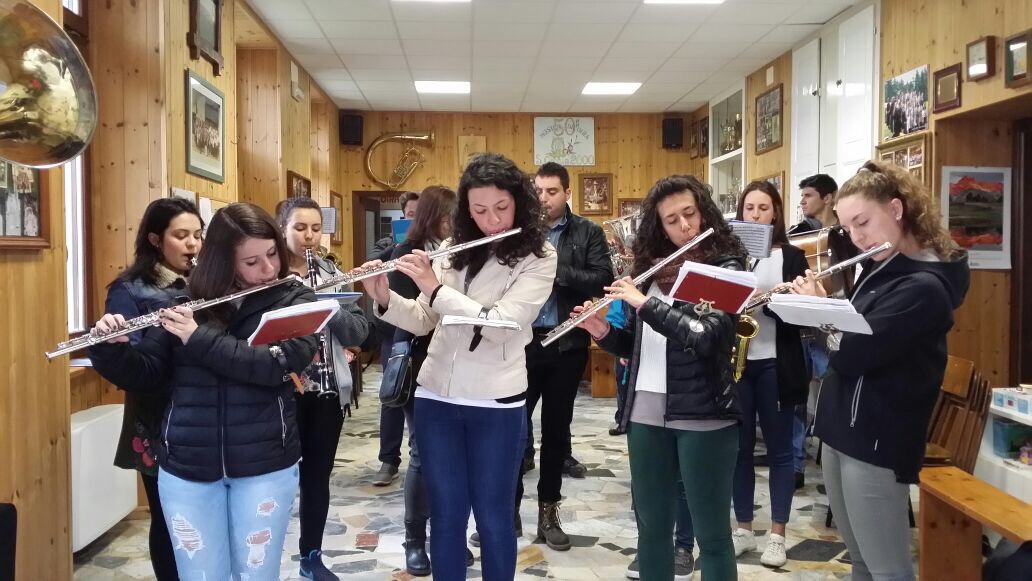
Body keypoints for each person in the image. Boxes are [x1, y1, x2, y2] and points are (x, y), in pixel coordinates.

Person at [88, 203, 319, 581]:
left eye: (272, 254)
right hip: (187, 467)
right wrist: (110, 348)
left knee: (256, 575)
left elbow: (273, 366)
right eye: (251, 262)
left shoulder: (293, 300)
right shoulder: (184, 302)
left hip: (264, 464)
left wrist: (198, 338)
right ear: (222, 261)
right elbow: (147, 374)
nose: (268, 270)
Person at [362, 153, 556, 579]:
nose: (492, 220)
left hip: (496, 401)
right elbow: (424, 319)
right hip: (436, 396)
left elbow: (502, 325)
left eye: (502, 207)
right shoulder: (452, 250)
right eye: (479, 210)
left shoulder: (540, 256)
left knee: (493, 517)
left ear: (519, 202)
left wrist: (434, 289)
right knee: (446, 515)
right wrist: (384, 297)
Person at [791, 161, 969, 581]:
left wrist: (819, 310)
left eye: (863, 222)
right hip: (841, 427)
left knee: (888, 570)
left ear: (896, 209)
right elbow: (851, 337)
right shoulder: (882, 267)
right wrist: (823, 311)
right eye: (847, 227)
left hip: (877, 438)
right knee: (860, 562)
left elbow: (851, 354)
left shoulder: (923, 287)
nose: (857, 237)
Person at [573, 175, 745, 581]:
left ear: (704, 212)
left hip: (704, 413)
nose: (685, 226)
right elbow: (639, 344)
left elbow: (707, 337)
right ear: (660, 226)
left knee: (713, 536)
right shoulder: (651, 269)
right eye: (672, 220)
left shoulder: (725, 267)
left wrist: (644, 304)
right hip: (645, 413)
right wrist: (602, 331)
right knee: (651, 532)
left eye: (690, 214)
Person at [503, 161, 611, 552]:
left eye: (552, 191)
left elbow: (603, 278)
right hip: (520, 344)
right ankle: (508, 512)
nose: (544, 198)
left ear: (567, 193)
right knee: (512, 433)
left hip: (566, 344)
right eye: (539, 192)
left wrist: (556, 270)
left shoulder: (587, 231)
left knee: (555, 434)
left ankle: (548, 513)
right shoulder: (519, 231)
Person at [103, 198, 203, 581]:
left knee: (202, 518)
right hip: (157, 419)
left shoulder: (205, 282)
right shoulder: (130, 290)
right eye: (181, 235)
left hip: (203, 415)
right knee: (169, 520)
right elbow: (133, 365)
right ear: (155, 240)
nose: (192, 244)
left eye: (197, 235)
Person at [276, 197, 370, 580]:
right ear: (282, 228)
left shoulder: (332, 272)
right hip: (280, 392)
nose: (309, 236)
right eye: (300, 228)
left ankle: (311, 556)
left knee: (317, 476)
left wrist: (328, 307)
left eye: (316, 228)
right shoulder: (268, 274)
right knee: (277, 479)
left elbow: (360, 332)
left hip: (326, 390)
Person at [380, 185, 467, 575]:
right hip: (419, 364)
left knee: (456, 456)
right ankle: (414, 540)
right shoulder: (406, 254)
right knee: (421, 453)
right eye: (450, 216)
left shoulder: (460, 253)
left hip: (458, 364)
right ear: (435, 216)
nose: (455, 223)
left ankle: (448, 535)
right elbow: (407, 316)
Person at [729, 181, 809, 567]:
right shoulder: (732, 256)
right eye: (749, 208)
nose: (756, 215)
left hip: (777, 363)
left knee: (779, 451)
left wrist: (780, 299)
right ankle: (743, 529)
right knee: (739, 450)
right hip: (738, 364)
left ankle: (777, 535)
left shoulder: (792, 257)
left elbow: (805, 316)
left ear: (775, 212)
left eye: (763, 208)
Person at [372, 190, 420, 487]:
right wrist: (399, 247)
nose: (415, 218)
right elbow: (375, 265)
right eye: (411, 214)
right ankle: (388, 460)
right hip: (394, 329)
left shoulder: (434, 244)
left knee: (419, 397)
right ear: (404, 215)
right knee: (393, 391)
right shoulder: (387, 243)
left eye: (420, 214)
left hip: (423, 325)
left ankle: (419, 456)